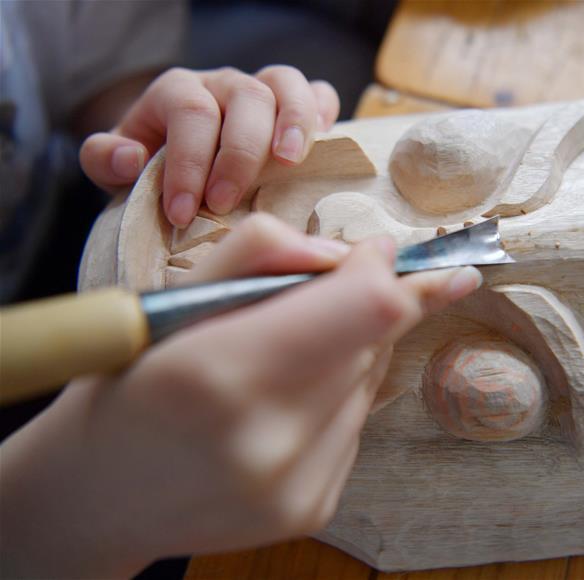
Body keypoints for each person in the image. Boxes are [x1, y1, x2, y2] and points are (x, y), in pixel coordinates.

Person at [0, 1, 484, 577]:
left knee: (315, 63)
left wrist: (161, 131)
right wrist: (69, 511)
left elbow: (86, 58)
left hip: (56, 230)